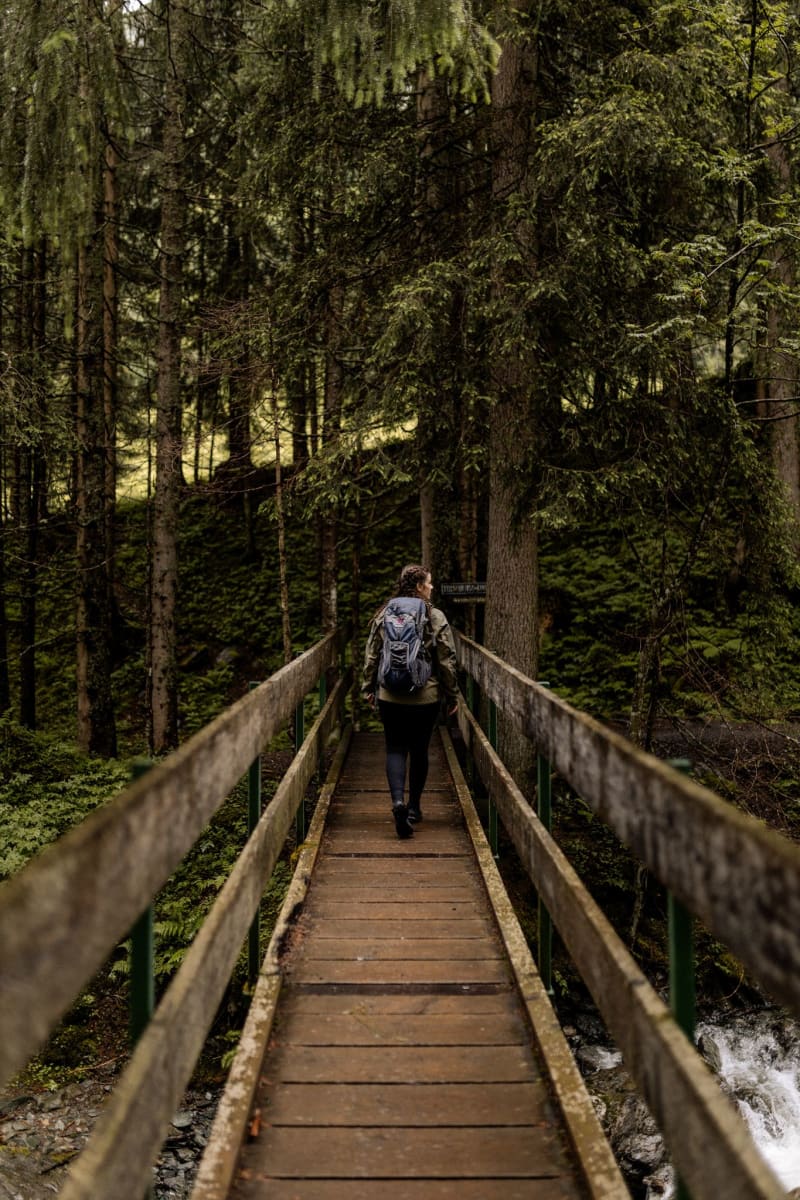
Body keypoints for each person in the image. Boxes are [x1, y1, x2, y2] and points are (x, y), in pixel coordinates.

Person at [362, 564, 459, 839]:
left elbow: (372, 655)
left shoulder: (385, 613)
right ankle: (414, 808)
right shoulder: (434, 615)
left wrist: (368, 687)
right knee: (419, 750)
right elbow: (446, 659)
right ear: (418, 586)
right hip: (425, 697)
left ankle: (397, 802)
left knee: (394, 747)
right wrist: (452, 694)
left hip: (390, 695)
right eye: (428, 583)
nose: (432, 587)